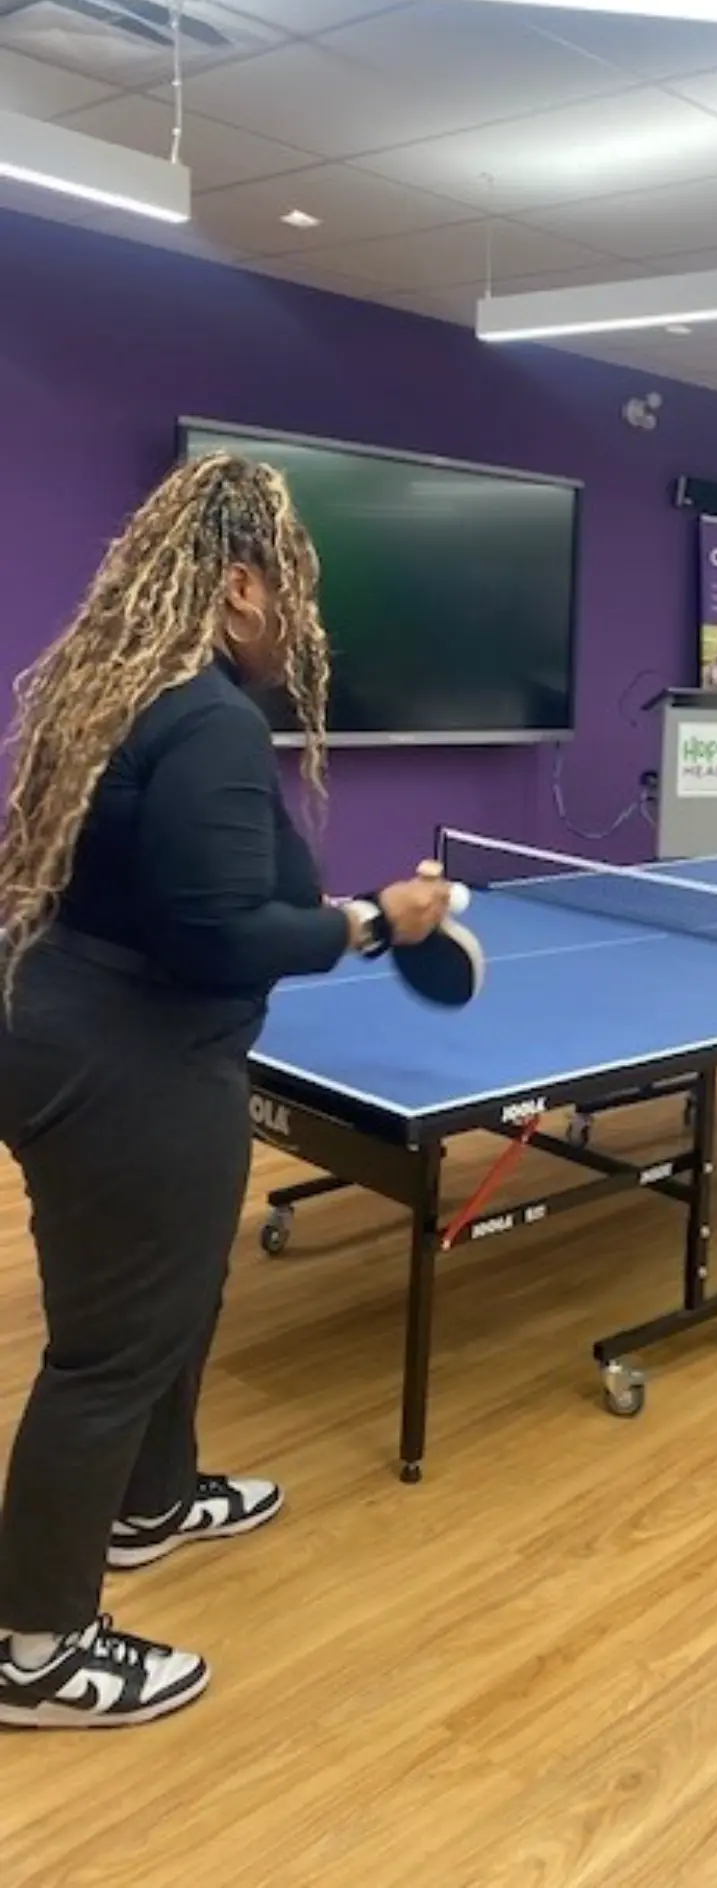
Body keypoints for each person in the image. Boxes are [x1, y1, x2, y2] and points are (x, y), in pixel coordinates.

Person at [0, 453, 454, 1729]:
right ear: (244, 585)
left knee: (173, 1296)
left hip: (87, 1029)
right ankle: (32, 1644)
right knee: (109, 1350)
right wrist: (374, 919)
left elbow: (186, 894)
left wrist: (294, 911)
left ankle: (153, 1499)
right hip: (129, 1059)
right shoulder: (207, 716)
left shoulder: (126, 697)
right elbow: (213, 933)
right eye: (293, 588)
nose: (303, 619)